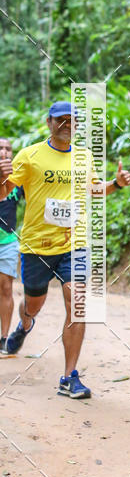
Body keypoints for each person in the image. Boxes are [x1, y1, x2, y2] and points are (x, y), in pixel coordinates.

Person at [0, 101, 130, 398]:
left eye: (73, 120)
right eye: (62, 119)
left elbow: (94, 190)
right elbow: (3, 193)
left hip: (75, 244)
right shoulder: (29, 156)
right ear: (49, 122)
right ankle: (25, 322)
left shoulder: (85, 157)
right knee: (34, 304)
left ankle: (69, 376)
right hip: (36, 246)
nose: (68, 124)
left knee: (78, 301)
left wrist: (116, 183)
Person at [0, 138, 23, 354]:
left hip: (7, 242)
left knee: (6, 287)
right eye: (1, 148)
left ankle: (4, 338)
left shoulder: (18, 180)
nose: (5, 151)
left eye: (8, 149)